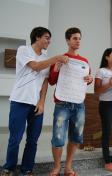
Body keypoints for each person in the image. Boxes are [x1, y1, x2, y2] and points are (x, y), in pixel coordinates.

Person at [1, 27, 68, 176]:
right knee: (15, 138)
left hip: (36, 103)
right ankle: (9, 168)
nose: (49, 41)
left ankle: (27, 170)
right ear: (37, 37)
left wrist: (42, 102)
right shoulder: (23, 50)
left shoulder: (46, 57)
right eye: (46, 37)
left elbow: (45, 82)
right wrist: (56, 58)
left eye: (50, 38)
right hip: (19, 100)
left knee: (33, 140)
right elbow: (35, 67)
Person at [48, 27, 93, 176]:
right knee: (58, 137)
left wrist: (90, 79)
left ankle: (68, 166)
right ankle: (56, 167)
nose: (78, 41)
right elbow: (52, 81)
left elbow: (85, 81)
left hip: (79, 105)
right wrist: (57, 67)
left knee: (75, 137)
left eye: (79, 38)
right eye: (74, 38)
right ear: (67, 40)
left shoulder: (85, 62)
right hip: (62, 104)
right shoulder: (60, 58)